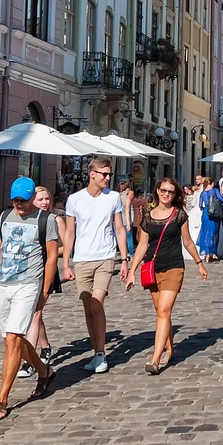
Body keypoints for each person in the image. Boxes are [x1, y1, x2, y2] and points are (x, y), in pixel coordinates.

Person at [0, 177, 58, 421]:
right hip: (4, 284)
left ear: (32, 198)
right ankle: (44, 371)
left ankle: (2, 398)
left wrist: (44, 291)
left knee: (14, 338)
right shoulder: (5, 217)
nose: (19, 205)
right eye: (15, 200)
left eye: (23, 200)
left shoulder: (46, 220)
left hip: (28, 284)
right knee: (11, 341)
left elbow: (53, 257)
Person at [124, 177, 207, 373]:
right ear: (157, 191)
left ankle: (155, 358)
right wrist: (131, 272)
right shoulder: (148, 216)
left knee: (163, 310)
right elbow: (142, 246)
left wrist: (199, 263)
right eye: (163, 190)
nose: (166, 194)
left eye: (170, 191)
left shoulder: (179, 215)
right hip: (152, 269)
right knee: (161, 312)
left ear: (175, 194)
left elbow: (187, 242)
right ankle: (169, 347)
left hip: (173, 268)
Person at [61, 157, 129, 374]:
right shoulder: (74, 200)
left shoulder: (114, 198)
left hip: (105, 256)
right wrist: (66, 264)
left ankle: (101, 354)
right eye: (104, 174)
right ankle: (96, 350)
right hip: (81, 259)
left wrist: (125, 259)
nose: (108, 178)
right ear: (92, 174)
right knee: (88, 307)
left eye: (109, 174)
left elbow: (119, 228)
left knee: (97, 302)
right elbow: (70, 233)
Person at [24, 185, 66, 373]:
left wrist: (50, 252)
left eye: (47, 199)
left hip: (47, 270)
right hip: (26, 271)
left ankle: (29, 361)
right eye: (40, 199)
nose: (44, 202)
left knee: (35, 313)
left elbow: (67, 246)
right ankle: (46, 346)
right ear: (32, 200)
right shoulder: (27, 220)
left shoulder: (56, 219)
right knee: (34, 312)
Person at [197, 176, 223, 262]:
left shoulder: (202, 193)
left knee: (205, 233)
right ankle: (212, 253)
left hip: (205, 214)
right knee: (214, 234)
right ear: (211, 183)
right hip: (214, 215)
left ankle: (206, 253)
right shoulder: (215, 191)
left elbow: (200, 205)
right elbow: (222, 199)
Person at [118, 177, 136, 258]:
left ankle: (123, 255)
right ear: (126, 189)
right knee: (129, 239)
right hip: (126, 221)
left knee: (121, 239)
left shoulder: (117, 198)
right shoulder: (127, 199)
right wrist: (129, 223)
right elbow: (127, 212)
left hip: (118, 221)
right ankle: (131, 255)